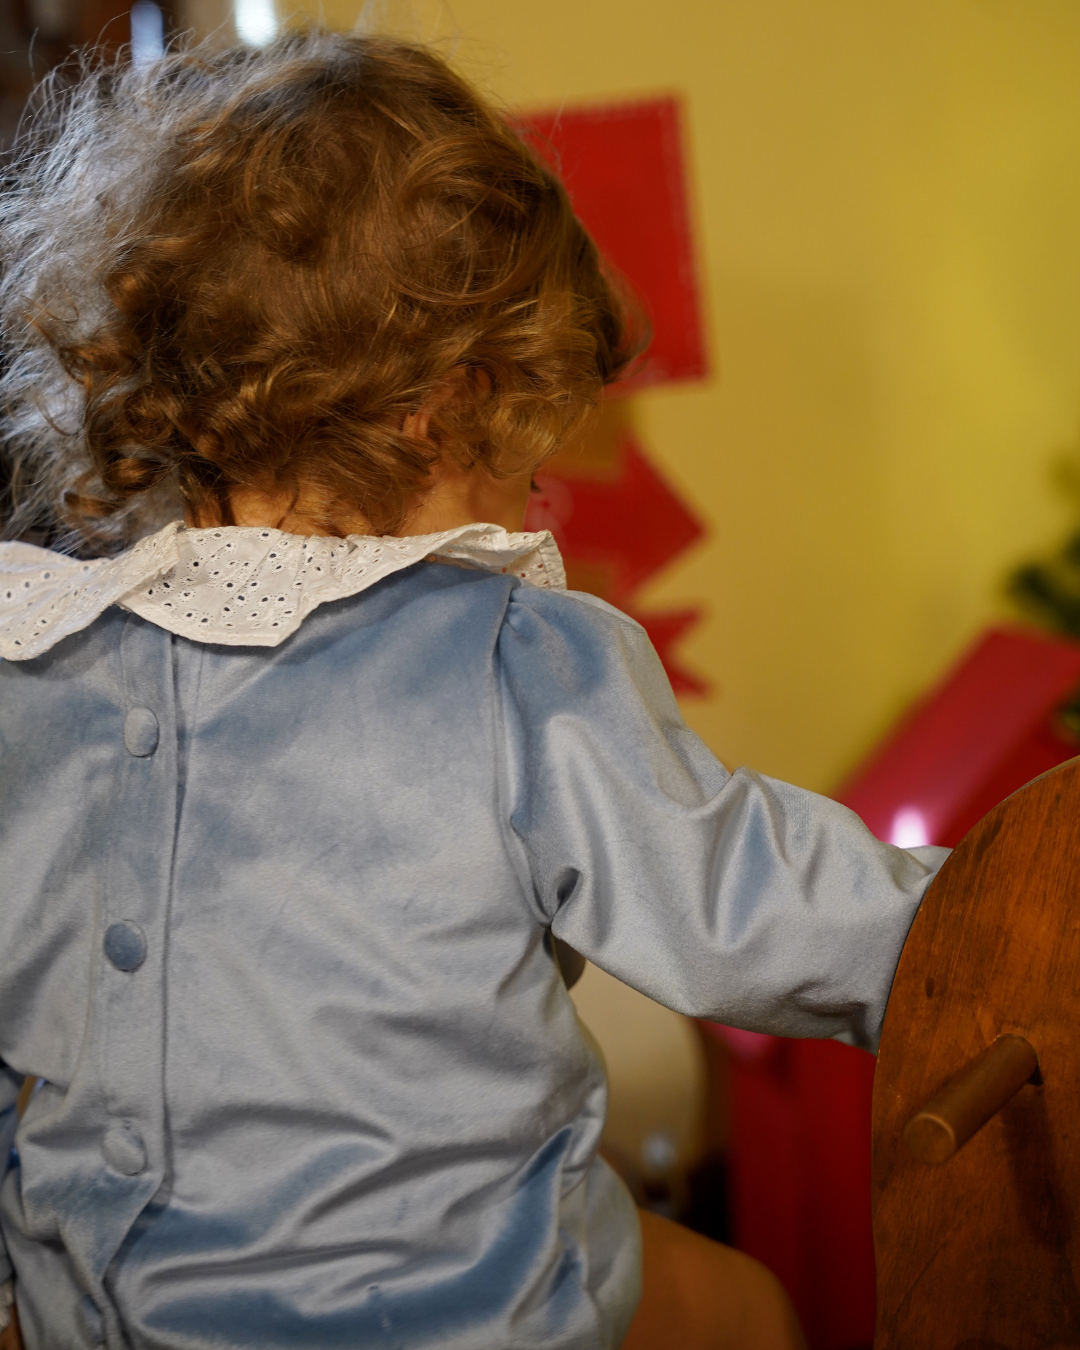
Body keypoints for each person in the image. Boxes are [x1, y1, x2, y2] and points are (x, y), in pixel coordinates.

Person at [0, 31, 945, 1350]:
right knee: (751, 1306)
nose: (529, 501)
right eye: (524, 452)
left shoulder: (34, 659)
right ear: (440, 411)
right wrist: (996, 918)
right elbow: (760, 908)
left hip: (97, 1312)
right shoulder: (503, 653)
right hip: (459, 1317)